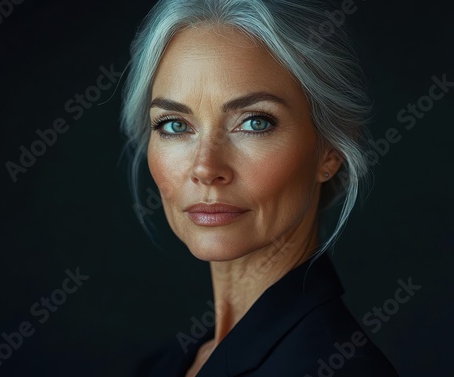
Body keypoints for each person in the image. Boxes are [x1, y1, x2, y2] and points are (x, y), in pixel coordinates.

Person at [120, 0, 399, 376]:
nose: (205, 168)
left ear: (328, 152)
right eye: (174, 125)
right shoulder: (158, 368)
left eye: (254, 122)